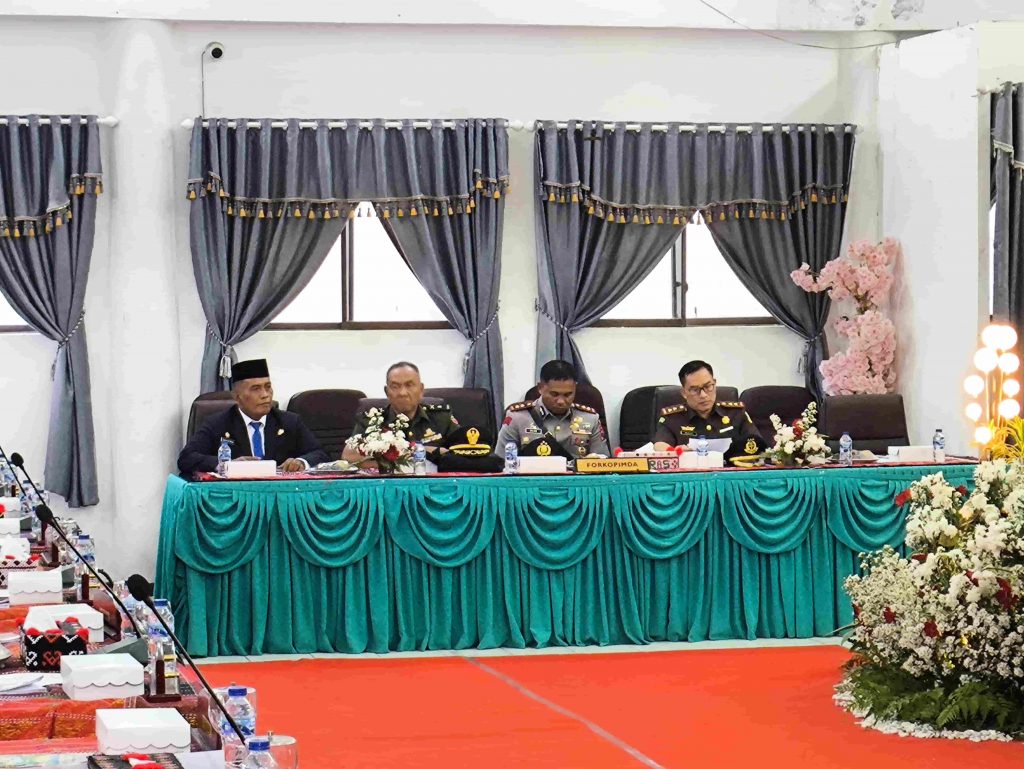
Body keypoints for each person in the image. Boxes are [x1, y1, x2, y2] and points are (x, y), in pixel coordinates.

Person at [177, 359, 328, 475]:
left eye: (268, 387)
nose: (265, 395)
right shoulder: (218, 423)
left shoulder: (289, 422)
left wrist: (301, 462)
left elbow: (321, 454)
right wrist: (227, 464)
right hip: (236, 495)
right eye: (256, 389)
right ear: (237, 396)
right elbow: (186, 459)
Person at [343, 362, 460, 464]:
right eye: (395, 387)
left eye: (409, 385)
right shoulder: (371, 420)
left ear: (421, 389)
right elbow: (348, 456)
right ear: (386, 392)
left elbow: (463, 451)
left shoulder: (441, 418)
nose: (402, 393)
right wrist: (413, 450)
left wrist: (386, 455)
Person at [495, 359, 610, 459]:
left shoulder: (590, 418)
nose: (561, 401)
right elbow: (501, 463)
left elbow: (603, 462)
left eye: (568, 395)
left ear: (575, 388)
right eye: (554, 394)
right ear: (540, 388)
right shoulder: (517, 418)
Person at [653, 359, 764, 460]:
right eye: (695, 390)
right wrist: (676, 452)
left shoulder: (736, 413)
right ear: (684, 393)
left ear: (714, 383)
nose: (703, 395)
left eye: (708, 386)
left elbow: (756, 442)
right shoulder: (672, 418)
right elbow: (659, 445)